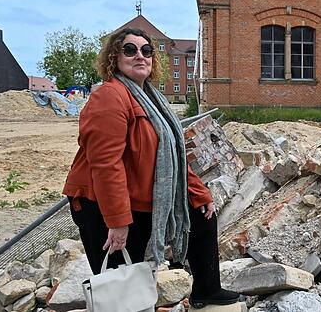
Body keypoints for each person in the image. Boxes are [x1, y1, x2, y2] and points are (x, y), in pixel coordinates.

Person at [62, 27, 239, 307]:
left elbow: (172, 155)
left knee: (201, 217)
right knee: (121, 284)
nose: (140, 56)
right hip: (100, 204)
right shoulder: (110, 96)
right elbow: (106, 165)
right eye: (130, 50)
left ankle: (207, 289)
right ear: (114, 57)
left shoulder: (153, 100)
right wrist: (117, 221)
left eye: (146, 51)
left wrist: (198, 192)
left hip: (139, 199)